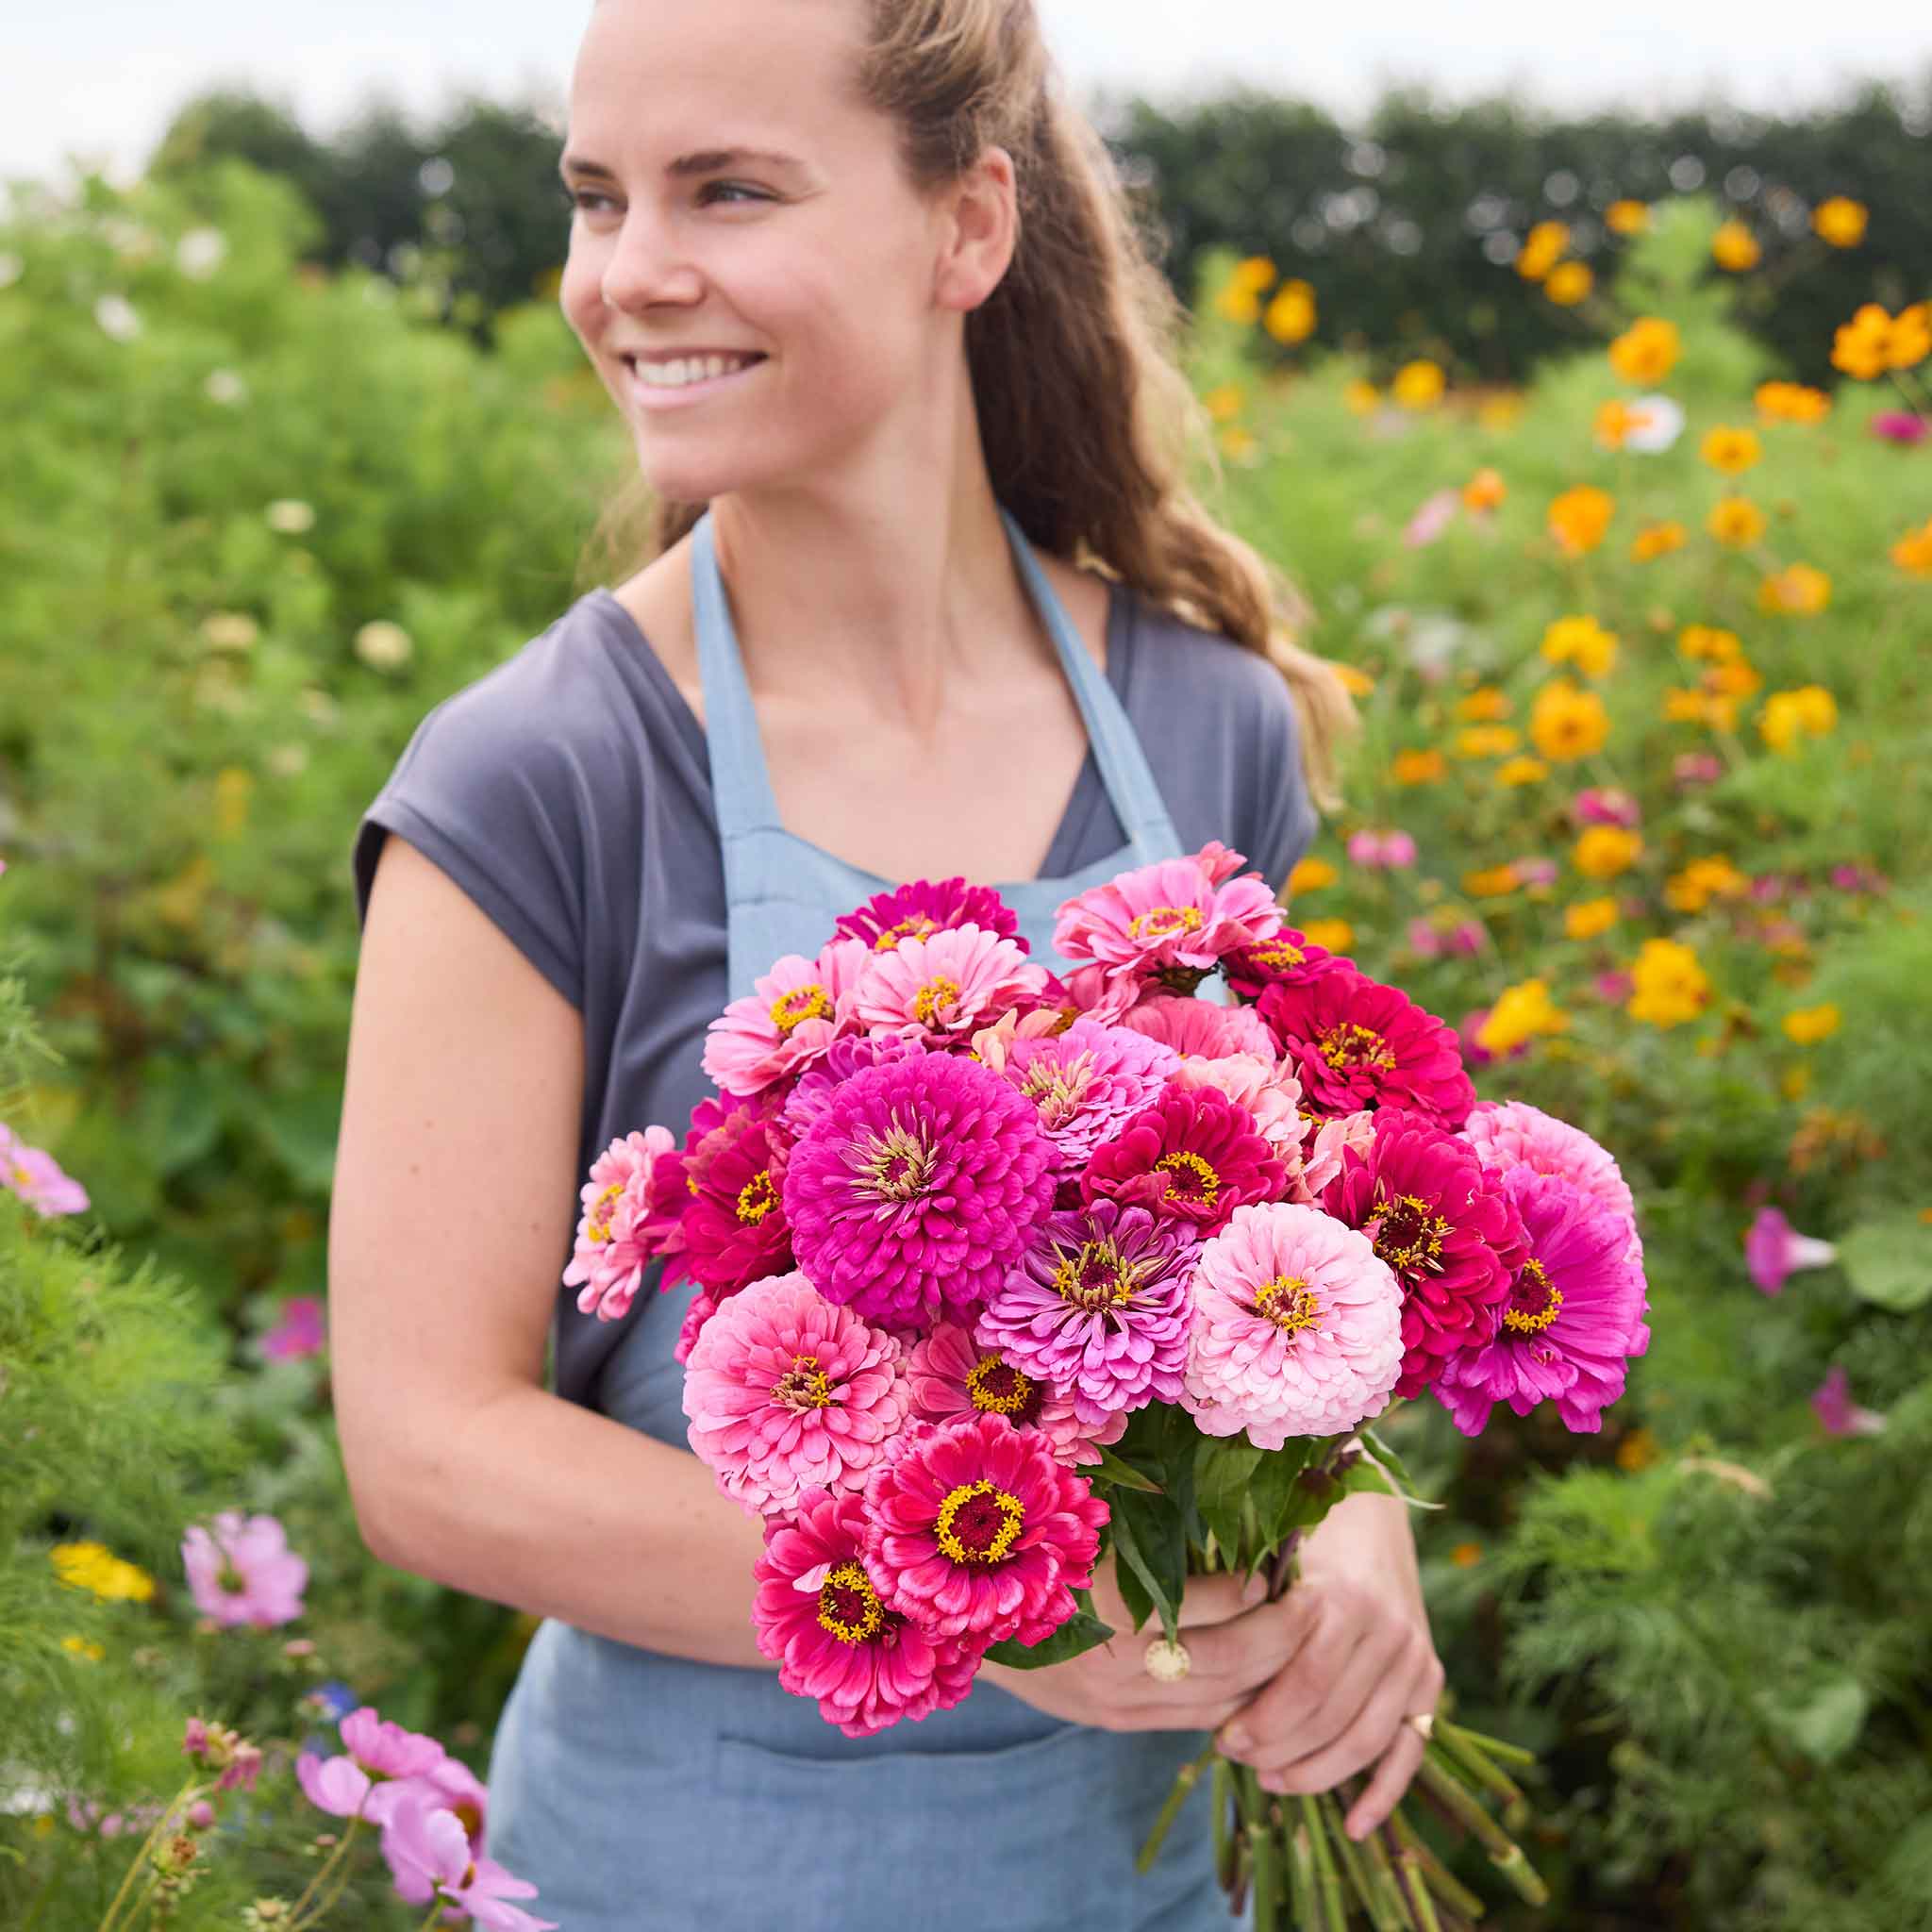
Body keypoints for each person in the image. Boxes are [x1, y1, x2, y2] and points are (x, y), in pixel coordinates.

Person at [330, 0, 1443, 1925]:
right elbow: (429, 1451)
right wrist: (969, 1588)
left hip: (1148, 1876)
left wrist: (1355, 1533)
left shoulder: (1203, 724)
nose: (632, 274)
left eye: (729, 190)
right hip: (686, 1874)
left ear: (966, 230)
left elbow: (1284, 1273)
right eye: (599, 198)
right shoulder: (543, 776)